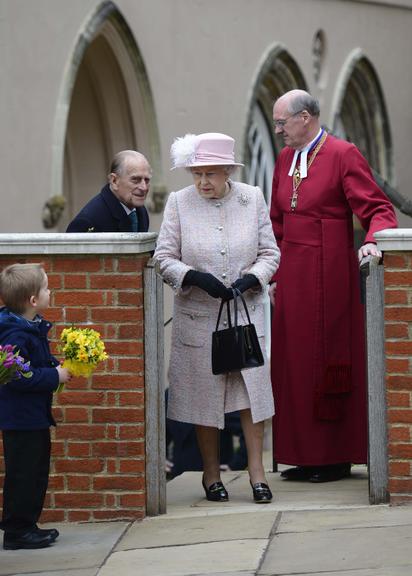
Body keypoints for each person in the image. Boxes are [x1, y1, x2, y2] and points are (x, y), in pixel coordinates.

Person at [270, 89, 397, 483]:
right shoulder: (285, 158)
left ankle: (333, 456)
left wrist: (374, 241)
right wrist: (273, 272)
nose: (278, 131)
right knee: (293, 362)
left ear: (305, 118)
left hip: (329, 273)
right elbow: (276, 220)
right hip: (291, 275)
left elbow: (379, 208)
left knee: (324, 358)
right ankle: (301, 455)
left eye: (282, 122)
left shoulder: (343, 154)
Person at [154, 132, 280, 503]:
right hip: (198, 317)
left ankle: (257, 474)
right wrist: (193, 277)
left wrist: (252, 278)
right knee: (202, 398)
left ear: (227, 170)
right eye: (197, 174)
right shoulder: (179, 203)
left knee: (250, 396)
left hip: (245, 315)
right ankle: (211, 475)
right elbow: (164, 257)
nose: (203, 182)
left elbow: (271, 253)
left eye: (210, 173)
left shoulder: (251, 198)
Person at [0, 263, 71, 549]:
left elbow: (35, 363)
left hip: (34, 415)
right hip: (21, 418)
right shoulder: (15, 335)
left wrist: (55, 366)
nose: (50, 291)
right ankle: (18, 531)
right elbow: (17, 376)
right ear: (32, 300)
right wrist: (55, 375)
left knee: (36, 471)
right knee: (25, 473)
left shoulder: (30, 326)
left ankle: (27, 525)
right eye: (46, 287)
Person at [66, 150, 151, 232]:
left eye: (147, 180)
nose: (144, 187)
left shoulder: (140, 211)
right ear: (114, 181)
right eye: (135, 180)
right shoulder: (88, 221)